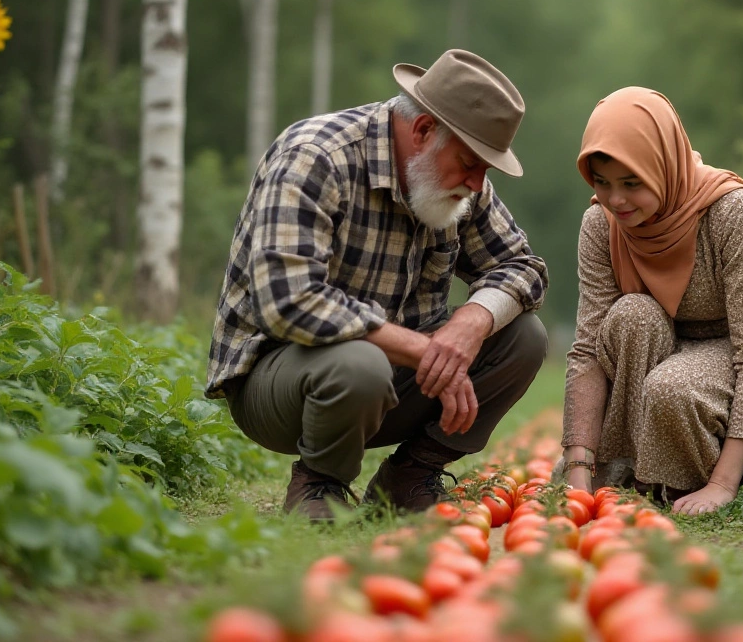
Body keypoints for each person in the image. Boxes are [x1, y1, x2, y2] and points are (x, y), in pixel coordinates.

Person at [206, 49, 549, 521]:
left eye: (485, 170)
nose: (475, 183)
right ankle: (318, 485)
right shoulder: (315, 156)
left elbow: (523, 266)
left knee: (522, 336)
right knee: (360, 363)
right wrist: (424, 351)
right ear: (424, 130)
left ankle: (408, 477)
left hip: (392, 381)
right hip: (283, 382)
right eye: (470, 162)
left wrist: (472, 320)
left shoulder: (457, 181)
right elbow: (288, 301)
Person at [560, 87, 743, 516]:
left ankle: (692, 476)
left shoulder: (729, 209)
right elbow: (589, 350)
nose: (615, 199)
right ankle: (637, 468)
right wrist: (578, 469)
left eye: (631, 182)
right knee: (630, 317)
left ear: (663, 167)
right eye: (602, 182)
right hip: (672, 342)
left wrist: (723, 486)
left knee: (672, 388)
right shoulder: (601, 224)